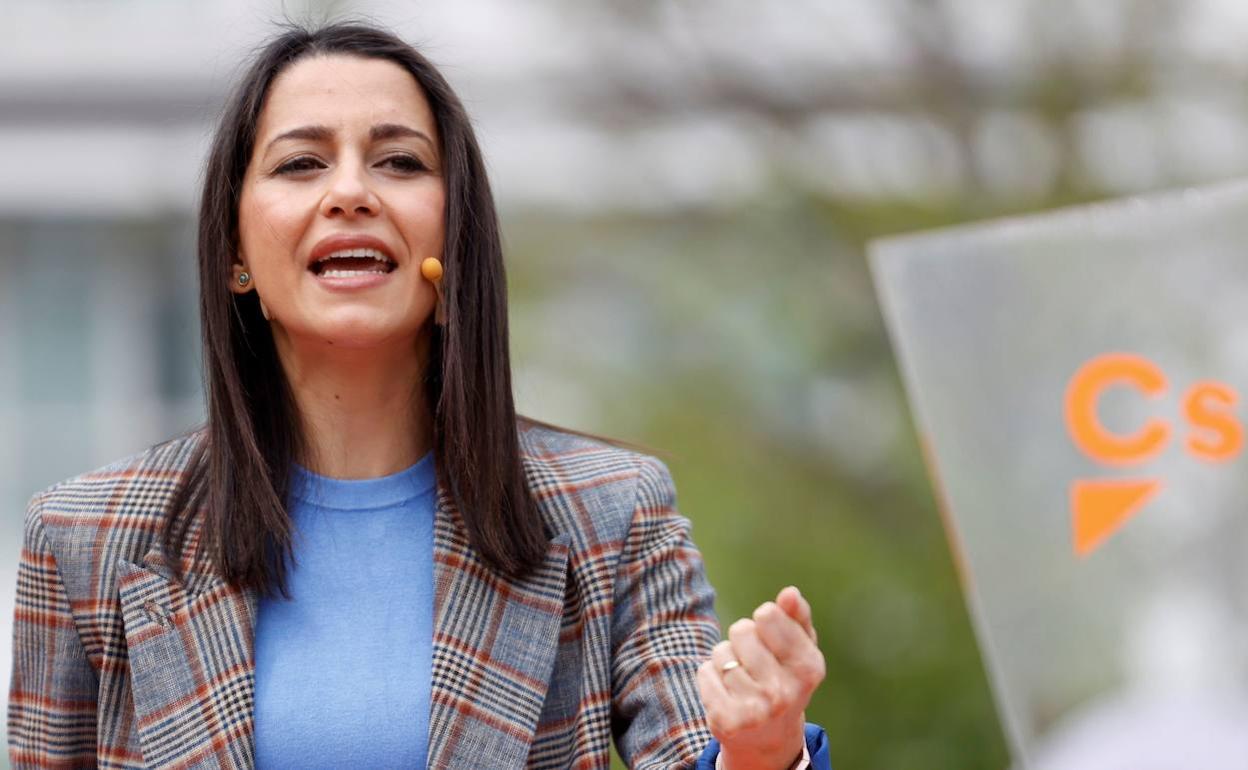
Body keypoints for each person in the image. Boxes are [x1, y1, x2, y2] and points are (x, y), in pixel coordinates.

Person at [7, 21, 830, 770]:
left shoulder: (612, 514)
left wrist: (761, 751)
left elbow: (699, 749)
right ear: (235, 253)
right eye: (301, 163)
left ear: (454, 232)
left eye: (400, 161)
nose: (352, 192)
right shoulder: (85, 538)